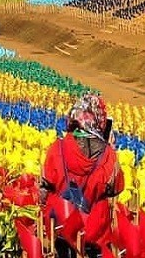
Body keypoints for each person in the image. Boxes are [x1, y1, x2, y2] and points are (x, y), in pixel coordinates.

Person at [40, 94, 124, 258]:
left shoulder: (57, 148)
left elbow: (44, 187)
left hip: (60, 228)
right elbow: (116, 187)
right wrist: (110, 148)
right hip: (94, 234)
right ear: (100, 119)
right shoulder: (108, 155)